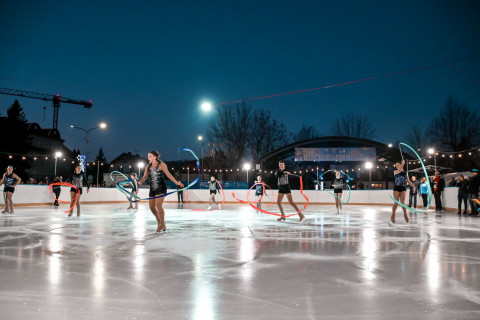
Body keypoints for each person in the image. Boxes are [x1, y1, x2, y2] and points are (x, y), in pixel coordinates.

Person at [138, 151, 183, 232]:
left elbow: (168, 175)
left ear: (155, 157)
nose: (148, 158)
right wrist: (141, 181)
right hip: (152, 188)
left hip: (161, 187)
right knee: (151, 207)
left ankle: (162, 224)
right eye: (148, 156)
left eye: (150, 156)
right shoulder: (148, 167)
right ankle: (159, 221)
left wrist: (177, 183)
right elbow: (145, 176)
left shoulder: (161, 164)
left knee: (158, 206)